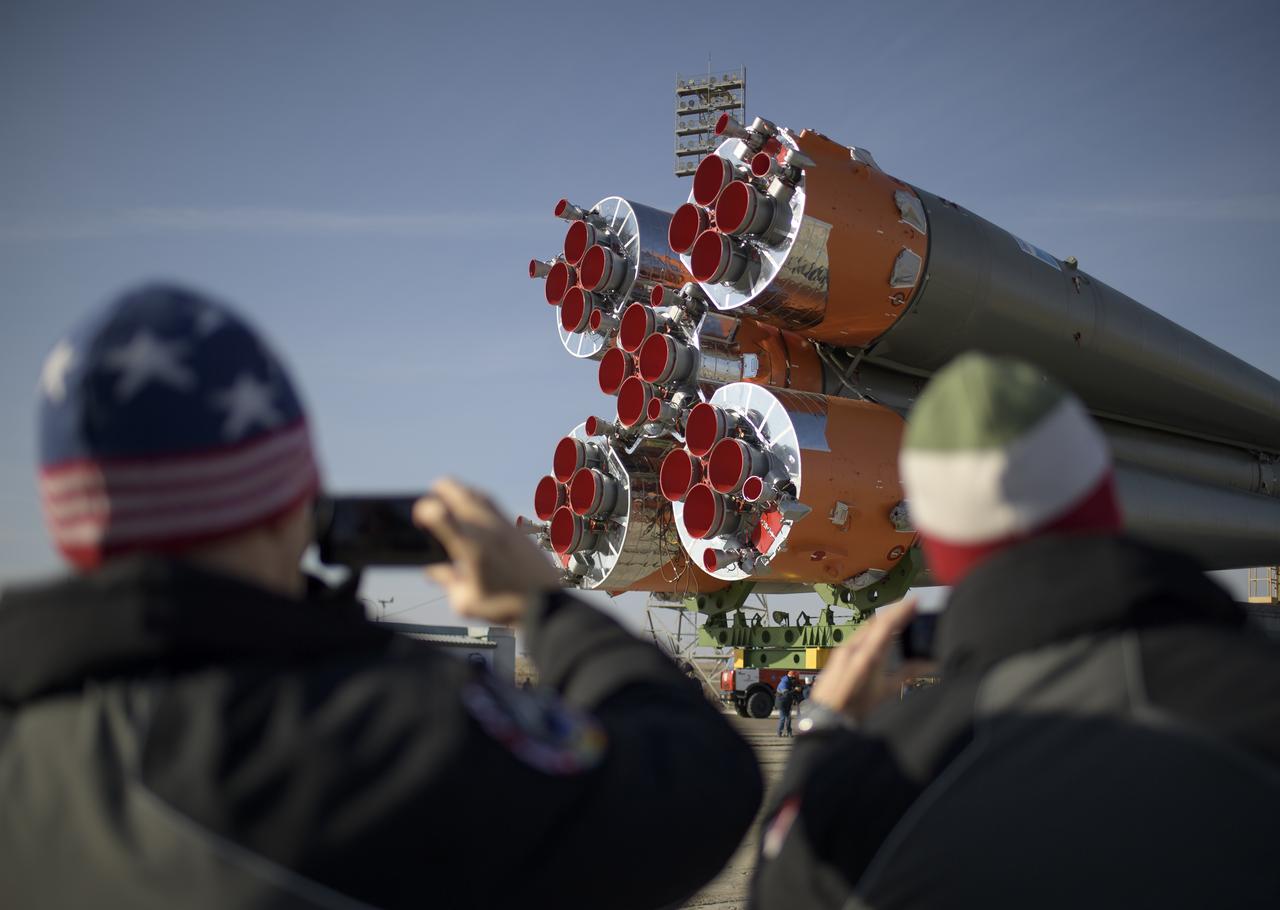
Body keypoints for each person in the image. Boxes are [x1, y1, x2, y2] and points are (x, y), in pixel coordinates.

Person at [0, 284, 763, 909]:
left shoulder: (26, 747)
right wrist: (543, 605)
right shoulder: (377, 737)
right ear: (293, 500)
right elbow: (699, 786)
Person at [750, 353, 1280, 909]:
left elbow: (780, 892)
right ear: (1102, 488)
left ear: (930, 537)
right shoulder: (1255, 695)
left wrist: (823, 730)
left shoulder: (882, 782)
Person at [776, 670, 800, 737]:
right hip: (782, 702)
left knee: (788, 717)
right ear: (792, 676)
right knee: (783, 717)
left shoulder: (790, 681)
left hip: (787, 702)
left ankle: (789, 732)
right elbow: (786, 694)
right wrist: (795, 690)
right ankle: (779, 732)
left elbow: (793, 691)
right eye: (795, 676)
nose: (795, 678)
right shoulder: (784, 682)